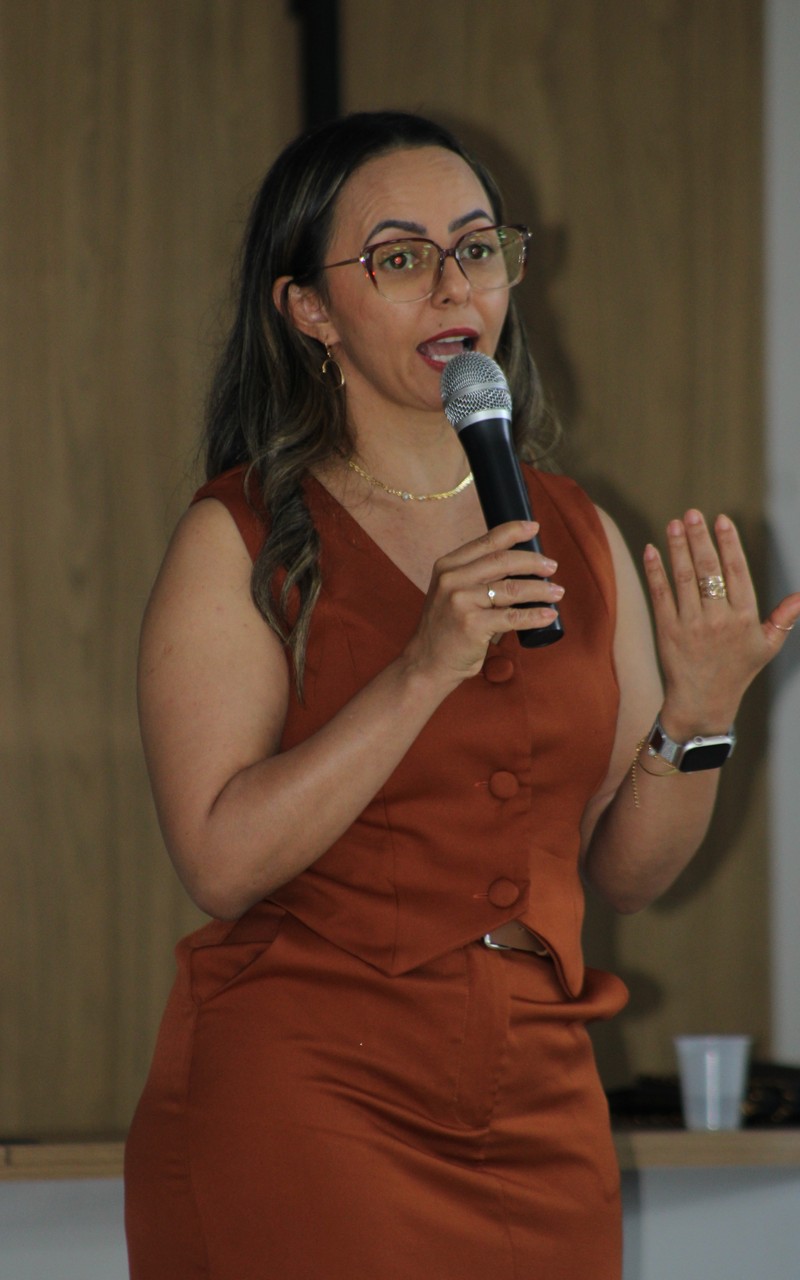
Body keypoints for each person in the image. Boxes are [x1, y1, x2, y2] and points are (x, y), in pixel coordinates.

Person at [124, 110, 799, 1280]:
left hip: (537, 1093)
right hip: (307, 1086)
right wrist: (422, 665)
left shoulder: (574, 528)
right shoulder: (238, 535)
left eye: (477, 248)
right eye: (399, 257)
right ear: (309, 309)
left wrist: (696, 719)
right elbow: (221, 862)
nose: (452, 286)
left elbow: (626, 873)